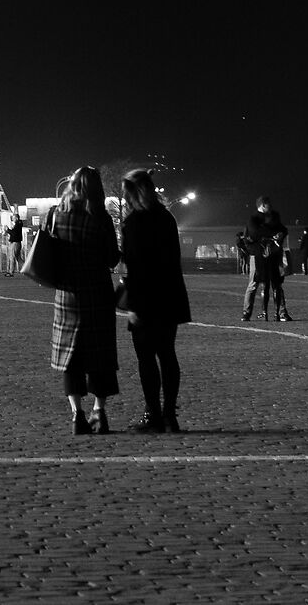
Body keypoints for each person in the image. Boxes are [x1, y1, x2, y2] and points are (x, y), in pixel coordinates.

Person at [46, 166, 122, 434]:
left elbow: (49, 248)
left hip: (67, 294)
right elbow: (112, 257)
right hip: (97, 292)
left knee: (72, 357)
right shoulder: (100, 217)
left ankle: (77, 414)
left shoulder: (57, 213)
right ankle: (99, 412)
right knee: (100, 355)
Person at [118, 168, 192, 433]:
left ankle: (153, 415)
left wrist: (134, 305)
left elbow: (136, 267)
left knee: (146, 359)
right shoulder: (167, 218)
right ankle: (170, 414)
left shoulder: (133, 223)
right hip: (170, 294)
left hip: (146, 299)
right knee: (168, 355)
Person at [243, 198, 291, 322]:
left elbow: (283, 229)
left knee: (276, 284)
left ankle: (281, 312)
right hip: (258, 255)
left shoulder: (274, 217)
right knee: (254, 284)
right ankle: (246, 312)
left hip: (273, 255)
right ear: (263, 205)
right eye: (269, 204)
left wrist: (280, 234)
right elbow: (254, 234)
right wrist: (272, 235)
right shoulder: (253, 219)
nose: (271, 206)